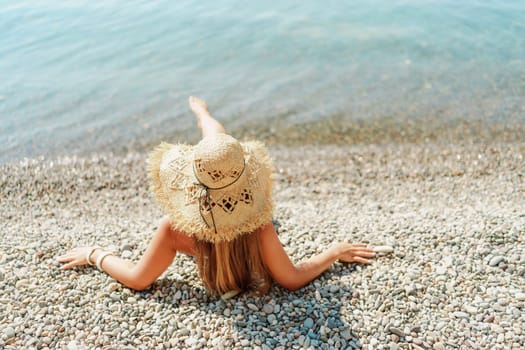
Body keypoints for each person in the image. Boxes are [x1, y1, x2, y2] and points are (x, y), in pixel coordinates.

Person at [57, 97, 375, 297]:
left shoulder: (175, 230)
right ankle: (204, 114)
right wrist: (333, 252)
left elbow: (138, 279)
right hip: (240, 217)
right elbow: (291, 279)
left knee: (214, 147)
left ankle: (202, 114)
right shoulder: (259, 228)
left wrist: (94, 254)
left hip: (203, 227)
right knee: (218, 144)